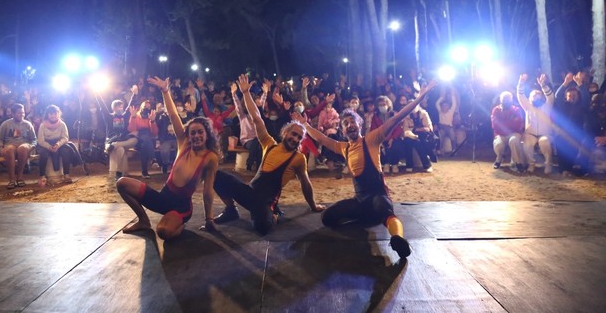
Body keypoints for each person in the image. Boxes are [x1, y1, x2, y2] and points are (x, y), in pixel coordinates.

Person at [293, 80, 438, 259]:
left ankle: (398, 239)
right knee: (327, 218)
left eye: (352, 122)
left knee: (384, 209)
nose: (349, 125)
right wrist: (305, 126)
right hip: (361, 201)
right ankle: (368, 217)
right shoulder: (343, 147)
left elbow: (396, 118)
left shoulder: (372, 139)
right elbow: (322, 139)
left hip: (379, 197)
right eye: (345, 124)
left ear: (359, 125)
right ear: (343, 130)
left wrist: (420, 97)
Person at [213, 74, 325, 235]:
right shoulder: (269, 144)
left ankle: (274, 216)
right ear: (285, 133)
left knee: (262, 227)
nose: (295, 139)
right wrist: (245, 94)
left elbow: (305, 183)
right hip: (250, 194)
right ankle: (231, 210)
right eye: (293, 134)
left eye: (299, 138)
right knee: (215, 175)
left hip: (266, 203)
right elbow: (257, 118)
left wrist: (313, 205)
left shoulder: (298, 159)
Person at [117, 76, 220, 240]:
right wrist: (165, 91)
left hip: (181, 208)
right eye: (193, 132)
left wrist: (209, 219)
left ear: (207, 134)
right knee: (122, 183)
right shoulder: (184, 143)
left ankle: (178, 224)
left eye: (200, 132)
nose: (196, 136)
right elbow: (173, 114)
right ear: (188, 135)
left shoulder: (210, 158)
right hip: (162, 198)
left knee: (163, 231)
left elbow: (208, 191)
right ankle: (143, 220)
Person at [516, 74, 555, 174]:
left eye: (538, 95)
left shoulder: (547, 106)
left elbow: (550, 97)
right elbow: (520, 96)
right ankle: (531, 164)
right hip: (531, 133)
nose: (536, 97)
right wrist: (521, 83)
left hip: (544, 133)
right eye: (534, 95)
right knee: (527, 144)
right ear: (530, 98)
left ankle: (548, 164)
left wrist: (543, 85)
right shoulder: (527, 106)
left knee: (544, 142)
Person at [0, 103, 37, 189]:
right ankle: (12, 179)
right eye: (19, 113)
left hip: (24, 145)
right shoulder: (5, 124)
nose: (22, 114)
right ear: (13, 114)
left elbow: (34, 139)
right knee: (10, 149)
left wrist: (32, 146)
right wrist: (0, 148)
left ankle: (20, 177)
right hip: (10, 145)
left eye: (23, 112)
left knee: (23, 148)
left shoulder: (28, 124)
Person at [36, 105, 73, 186]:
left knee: (66, 152)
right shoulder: (43, 125)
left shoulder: (62, 124)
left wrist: (57, 144)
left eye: (55, 113)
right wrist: (49, 147)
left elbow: (65, 138)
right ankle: (42, 176)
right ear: (47, 115)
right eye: (51, 114)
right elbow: (40, 140)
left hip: (59, 144)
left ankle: (66, 174)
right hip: (46, 144)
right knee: (44, 154)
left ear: (58, 114)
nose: (53, 116)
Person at [491, 91, 525, 171]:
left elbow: (519, 125)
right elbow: (495, 125)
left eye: (508, 100)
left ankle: (517, 162)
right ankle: (499, 158)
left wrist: (502, 123)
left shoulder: (517, 110)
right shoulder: (496, 110)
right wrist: (511, 121)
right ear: (500, 100)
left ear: (511, 100)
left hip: (514, 133)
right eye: (504, 100)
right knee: (498, 144)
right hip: (500, 134)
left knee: (514, 140)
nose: (506, 102)